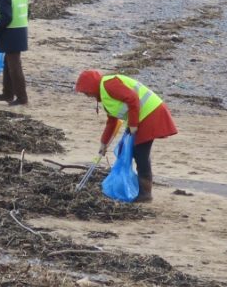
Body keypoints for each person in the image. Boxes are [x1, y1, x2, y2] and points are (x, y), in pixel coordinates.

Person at [74, 70, 177, 203]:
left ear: (92, 86)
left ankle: (145, 194)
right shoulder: (105, 96)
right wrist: (103, 143)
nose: (86, 95)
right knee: (138, 152)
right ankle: (143, 191)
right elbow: (112, 121)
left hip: (151, 113)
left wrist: (133, 124)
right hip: (143, 116)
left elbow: (132, 98)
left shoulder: (108, 84)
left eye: (86, 91)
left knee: (141, 153)